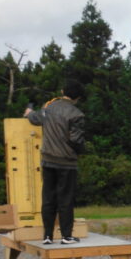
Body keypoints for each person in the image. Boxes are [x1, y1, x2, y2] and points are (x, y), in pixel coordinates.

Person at [24, 80, 85, 245]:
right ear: (78, 97)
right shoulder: (77, 114)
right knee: (65, 199)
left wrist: (29, 113)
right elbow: (76, 140)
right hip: (67, 162)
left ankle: (47, 236)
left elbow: (34, 118)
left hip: (48, 160)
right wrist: (81, 151)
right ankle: (66, 236)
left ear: (62, 91)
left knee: (48, 198)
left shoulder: (48, 108)